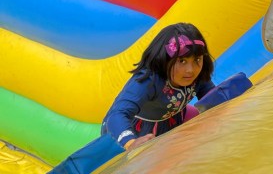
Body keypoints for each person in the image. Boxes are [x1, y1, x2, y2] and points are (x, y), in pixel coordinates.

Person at [51, 23, 217, 173]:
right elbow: (117, 115)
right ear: (165, 59)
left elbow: (214, 98)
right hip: (133, 130)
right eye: (181, 61)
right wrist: (130, 143)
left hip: (169, 121)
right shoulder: (148, 81)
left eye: (197, 60)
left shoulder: (198, 75)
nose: (191, 69)